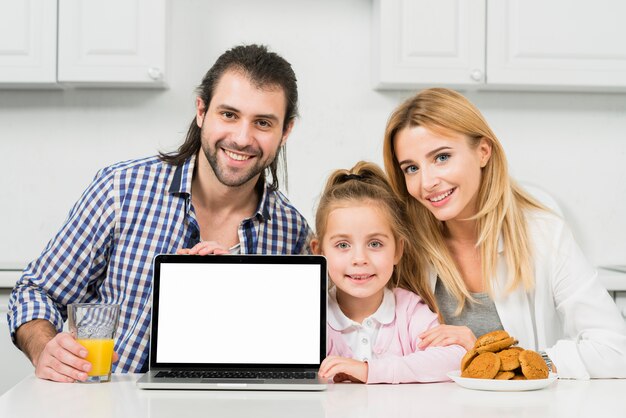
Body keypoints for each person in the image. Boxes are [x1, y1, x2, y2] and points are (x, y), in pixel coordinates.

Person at [8, 44, 312, 383]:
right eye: (229, 114)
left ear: (285, 132)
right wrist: (44, 347)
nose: (242, 138)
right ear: (201, 111)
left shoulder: (292, 231)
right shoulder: (121, 189)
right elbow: (36, 291)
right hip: (115, 405)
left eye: (263, 123)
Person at [382, 87, 626, 379]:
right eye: (411, 168)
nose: (427, 181)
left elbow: (615, 350)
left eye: (442, 157)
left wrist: (500, 360)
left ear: (483, 151)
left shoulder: (544, 235)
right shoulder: (404, 246)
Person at [311, 161, 465, 384]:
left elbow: (454, 358)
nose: (360, 259)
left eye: (375, 244)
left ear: (397, 250)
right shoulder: (313, 315)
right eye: (343, 245)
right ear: (319, 252)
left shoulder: (409, 311)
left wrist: (369, 371)